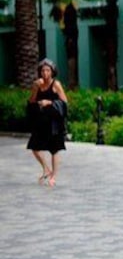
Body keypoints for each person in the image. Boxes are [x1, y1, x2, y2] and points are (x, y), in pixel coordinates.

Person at [27, 58, 68, 187]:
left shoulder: (56, 84)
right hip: (41, 121)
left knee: (54, 150)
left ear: (52, 71)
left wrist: (49, 102)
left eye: (47, 70)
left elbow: (65, 103)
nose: (45, 73)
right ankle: (46, 169)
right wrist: (35, 88)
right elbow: (31, 102)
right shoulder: (38, 85)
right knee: (34, 147)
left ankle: (53, 177)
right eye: (43, 70)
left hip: (54, 123)